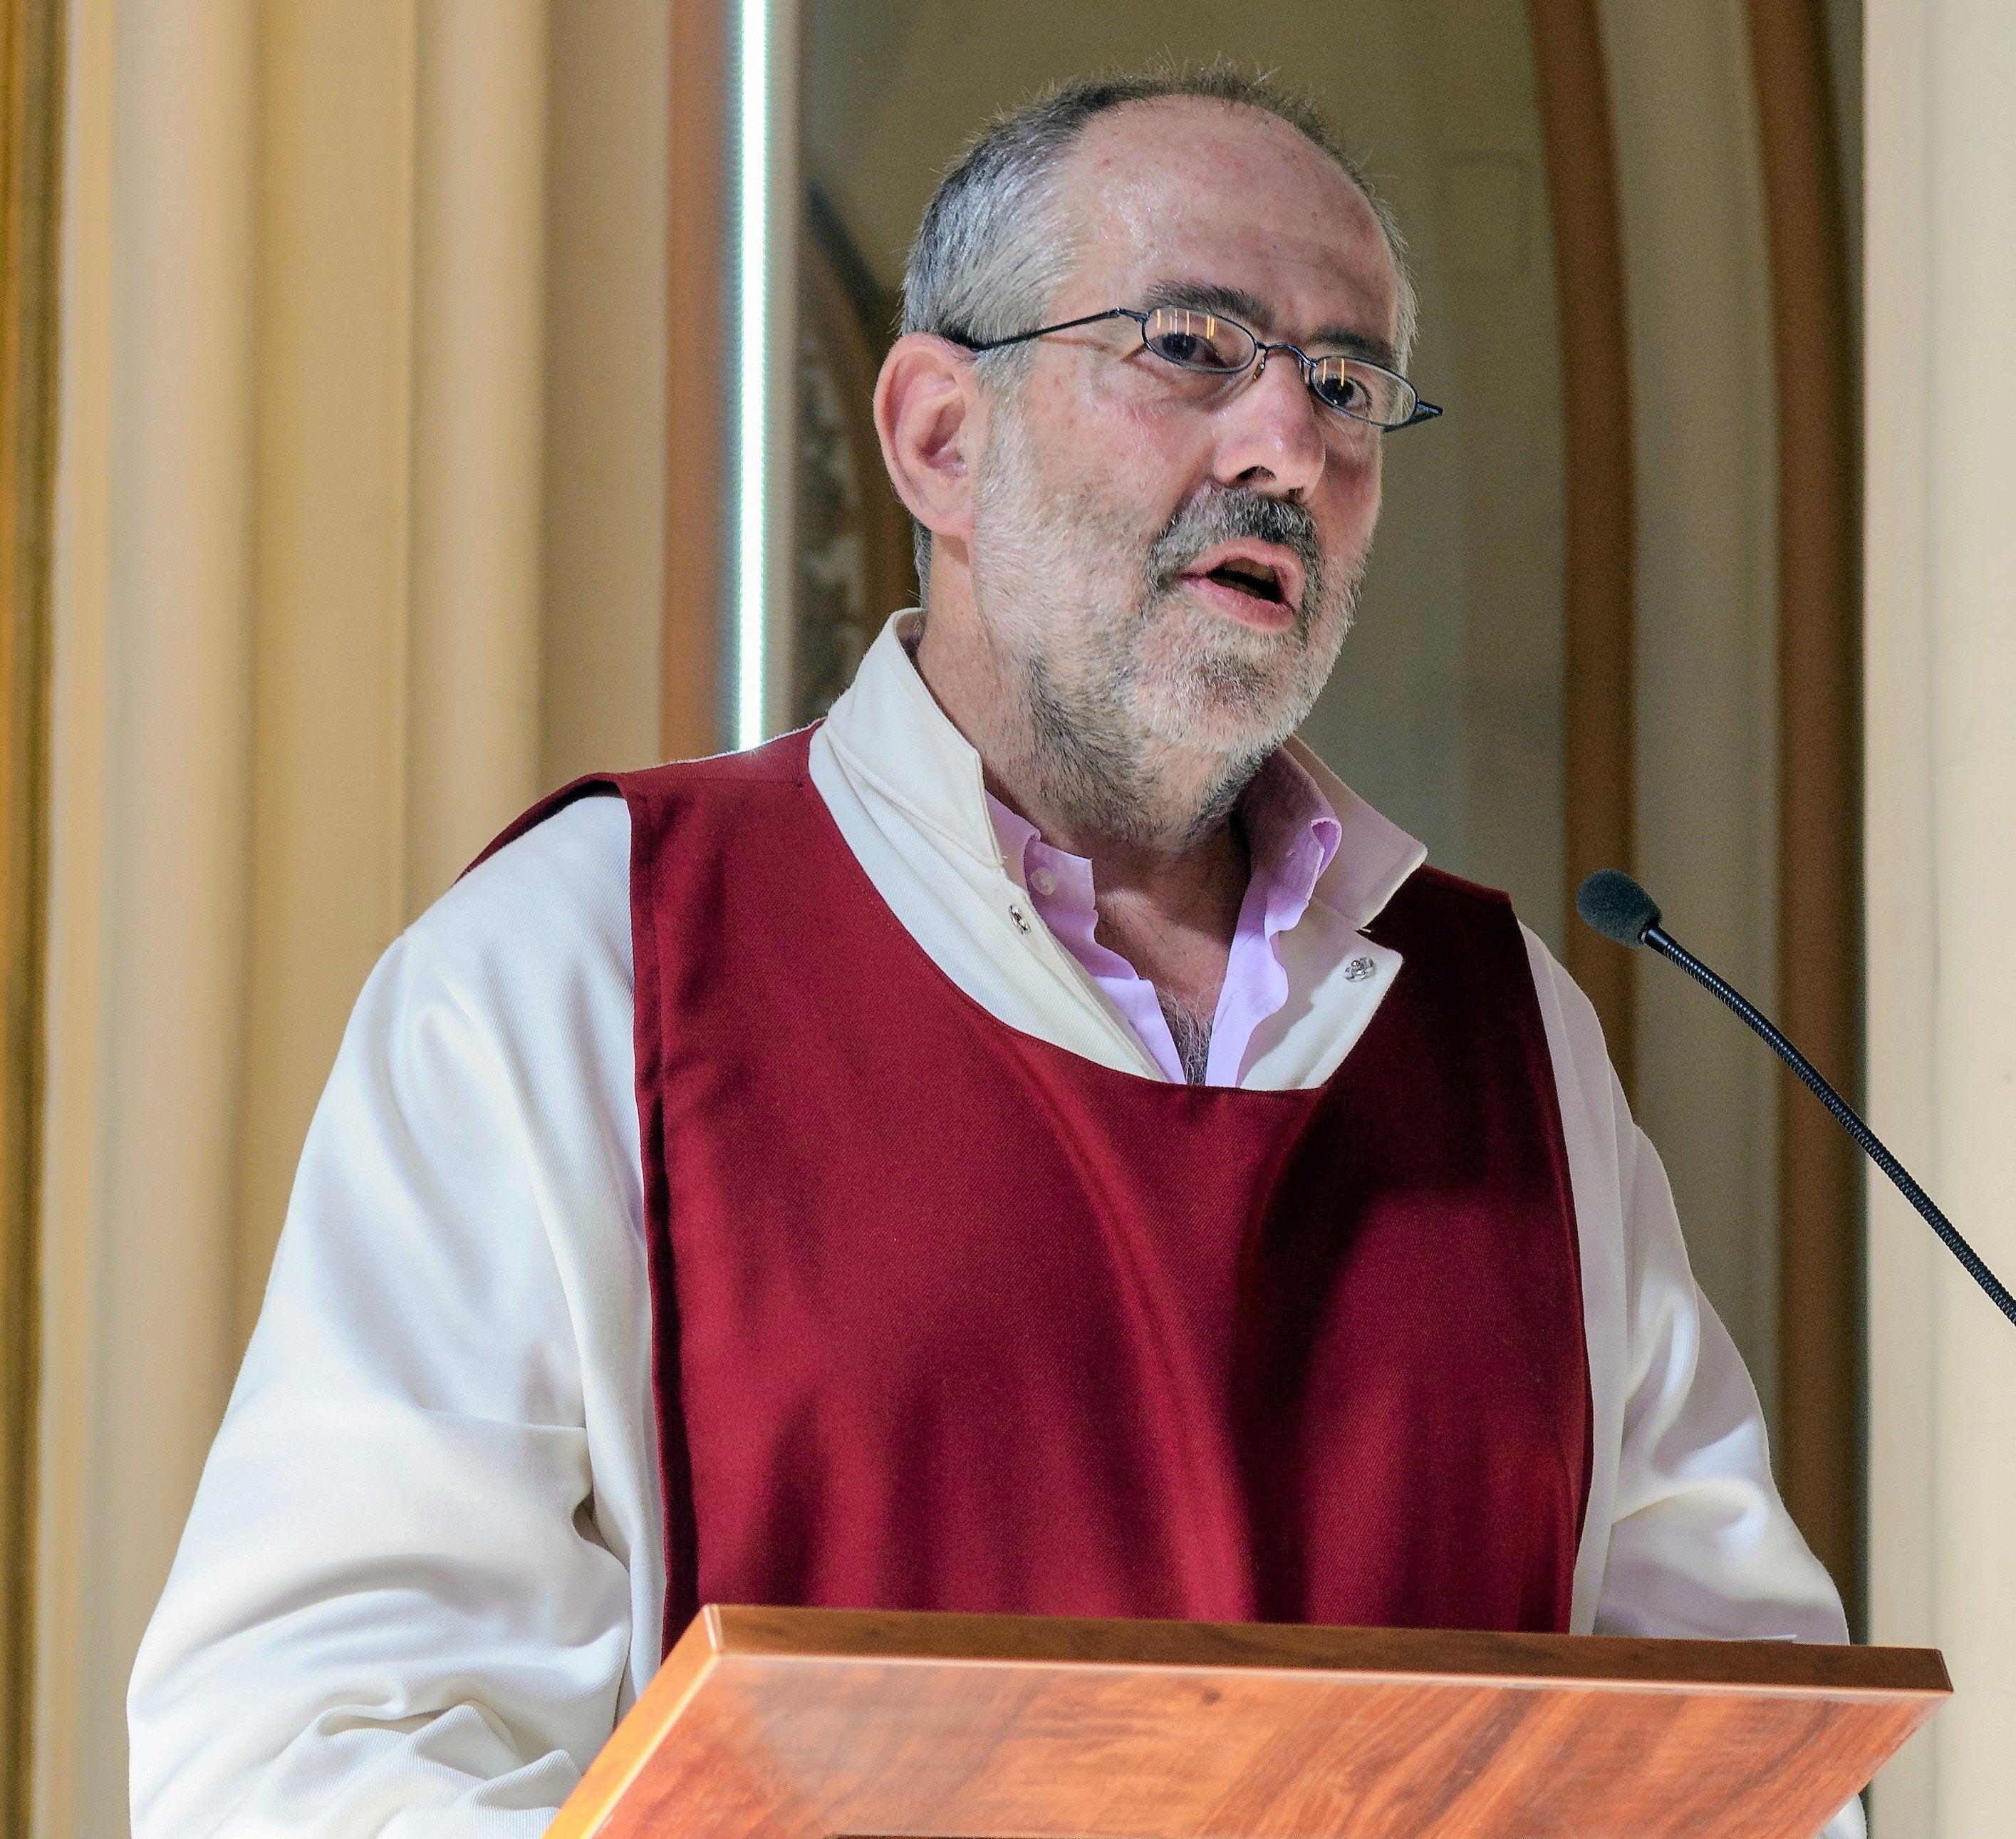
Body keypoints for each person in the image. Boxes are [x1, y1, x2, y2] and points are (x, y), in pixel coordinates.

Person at [129, 66, 1860, 1838]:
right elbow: (303, 1748)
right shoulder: (593, 955)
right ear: (939, 439)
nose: (1287, 444)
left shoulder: (1510, 1036)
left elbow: (1749, 1750)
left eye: (1344, 383)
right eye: (1190, 344)